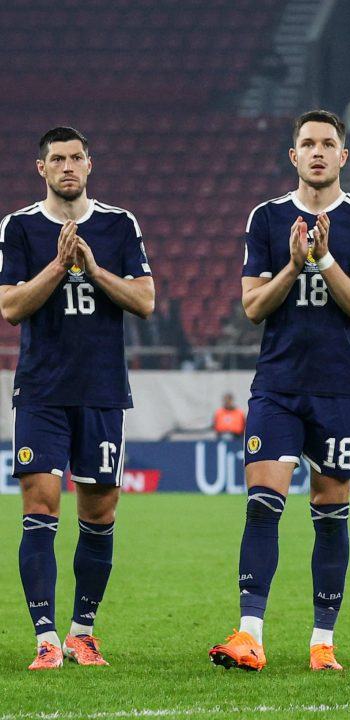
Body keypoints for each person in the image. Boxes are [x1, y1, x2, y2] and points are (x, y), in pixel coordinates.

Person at [209, 110, 350, 673]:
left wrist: (325, 258)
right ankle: (250, 635)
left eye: (327, 143)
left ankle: (321, 642)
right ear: (293, 156)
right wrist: (291, 266)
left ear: (343, 156)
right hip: (278, 387)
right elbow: (253, 306)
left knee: (330, 511)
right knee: (263, 505)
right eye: (307, 143)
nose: (317, 152)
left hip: (337, 389)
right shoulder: (266, 218)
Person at [1, 127, 155, 670]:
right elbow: (12, 307)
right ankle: (46, 637)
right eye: (57, 159)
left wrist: (91, 268)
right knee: (40, 507)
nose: (68, 166)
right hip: (42, 390)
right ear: (40, 168)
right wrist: (57, 265)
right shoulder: (19, 227)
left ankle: (81, 632)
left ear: (90, 165)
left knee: (100, 510)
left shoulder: (118, 225)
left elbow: (144, 299)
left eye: (77, 158)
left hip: (102, 390)